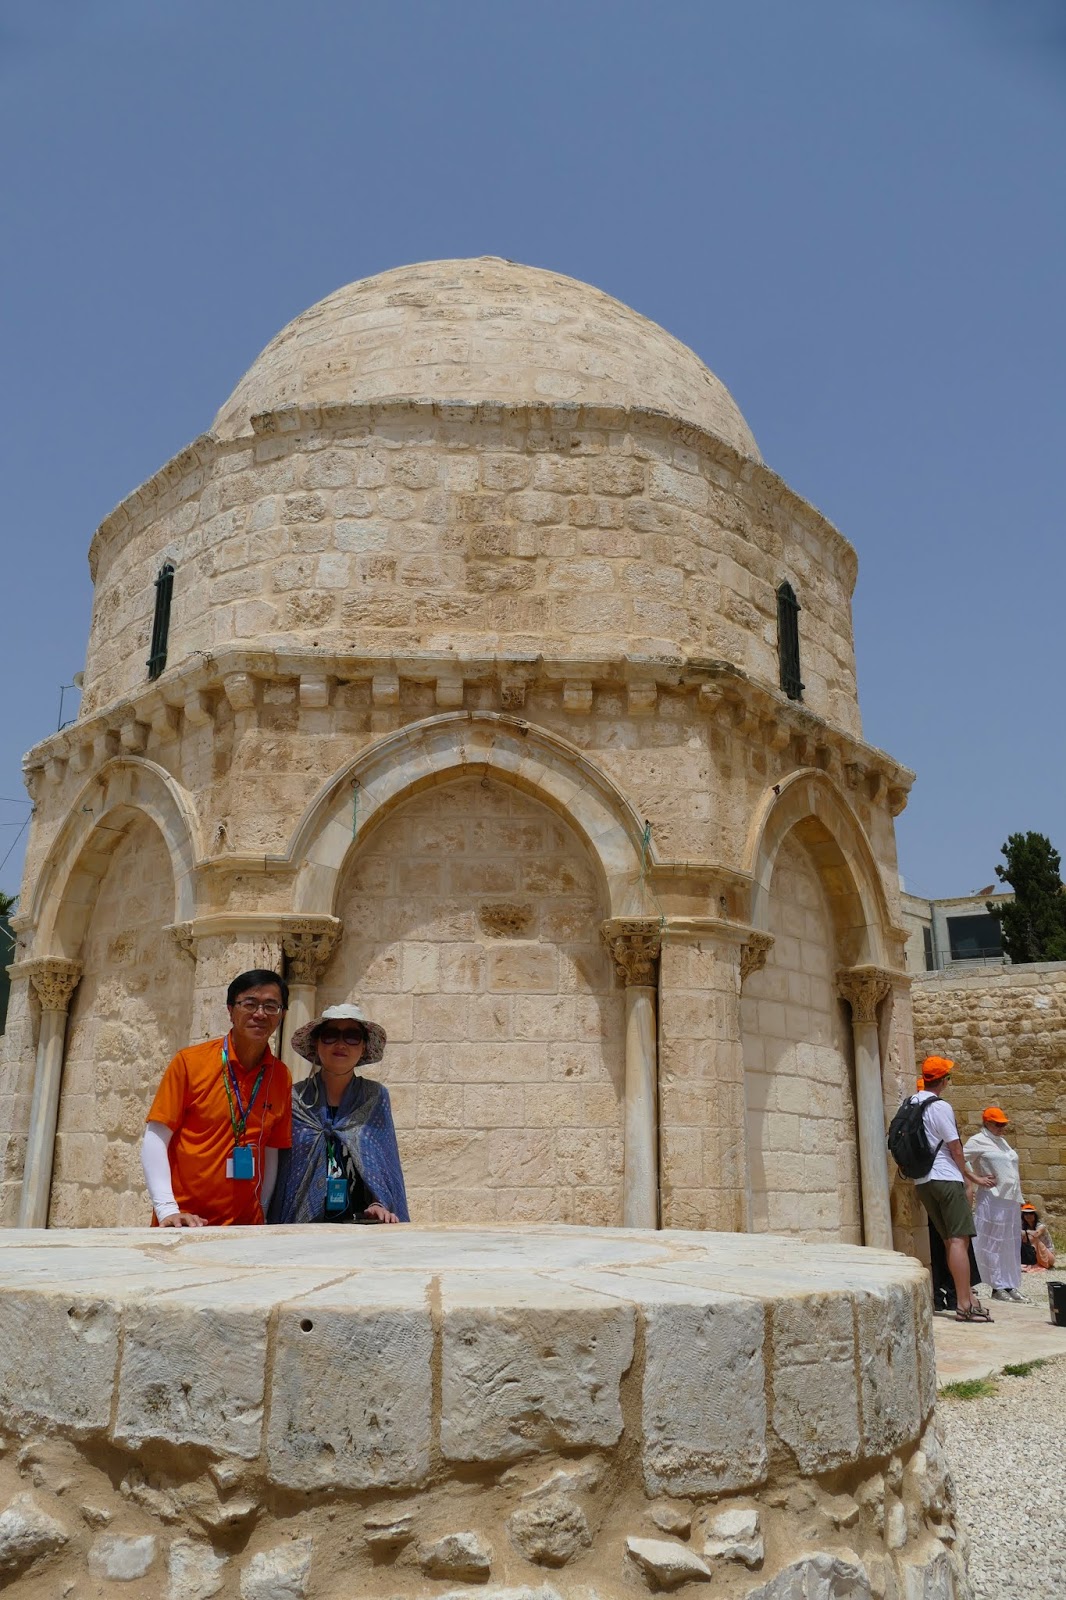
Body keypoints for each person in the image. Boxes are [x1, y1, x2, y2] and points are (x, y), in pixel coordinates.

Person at [141, 970, 292, 1226]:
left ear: (282, 1015)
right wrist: (167, 1210)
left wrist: (263, 1210)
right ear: (231, 1010)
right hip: (186, 1222)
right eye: (250, 1004)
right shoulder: (190, 1063)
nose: (260, 1014)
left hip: (246, 1226)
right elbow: (156, 1136)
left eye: (271, 1006)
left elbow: (271, 1150)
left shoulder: (280, 1076)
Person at [268, 1002, 408, 1225]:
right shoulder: (294, 1098)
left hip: (361, 1223)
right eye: (330, 1035)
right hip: (301, 1226)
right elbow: (282, 1168)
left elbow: (384, 1165)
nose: (340, 1044)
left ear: (363, 1047)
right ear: (316, 1044)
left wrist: (378, 1203)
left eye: (352, 1037)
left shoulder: (374, 1097)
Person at [909, 1056, 996, 1323]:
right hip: (945, 1177)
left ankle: (966, 1299)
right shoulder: (940, 1106)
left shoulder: (911, 1103)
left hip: (923, 1181)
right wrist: (970, 1176)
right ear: (944, 1080)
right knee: (959, 1239)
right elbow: (955, 1148)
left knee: (949, 1240)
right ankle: (964, 1304)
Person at [963, 1107, 1026, 1302]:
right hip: (992, 1198)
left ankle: (1010, 1284)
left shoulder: (1002, 1142)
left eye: (1003, 1124)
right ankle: (997, 1285)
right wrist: (976, 1178)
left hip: (1010, 1199)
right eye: (998, 1124)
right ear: (987, 1123)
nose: (1002, 1128)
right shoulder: (977, 1141)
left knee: (1010, 1242)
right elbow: (958, 1158)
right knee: (993, 1242)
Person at [1021, 1201, 1056, 1270]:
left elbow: (1036, 1234)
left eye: (1031, 1213)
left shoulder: (1041, 1226)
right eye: (1026, 1214)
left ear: (1035, 1215)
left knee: (1031, 1237)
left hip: (1048, 1256)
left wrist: (1026, 1232)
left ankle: (1034, 1263)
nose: (1028, 1216)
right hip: (1034, 1254)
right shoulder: (1025, 1227)